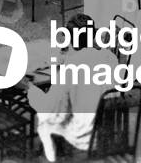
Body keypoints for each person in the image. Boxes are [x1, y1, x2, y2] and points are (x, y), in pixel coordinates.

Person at [27, 13, 114, 161]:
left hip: (82, 134)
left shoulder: (72, 67)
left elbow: (50, 107)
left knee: (49, 113)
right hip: (105, 128)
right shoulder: (110, 58)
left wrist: (30, 90)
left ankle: (55, 153)